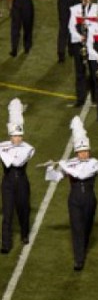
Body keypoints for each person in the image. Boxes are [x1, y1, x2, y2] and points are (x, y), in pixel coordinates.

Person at [44, 117, 98, 271]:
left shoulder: (95, 163)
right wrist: (51, 168)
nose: (83, 154)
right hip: (74, 199)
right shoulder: (70, 163)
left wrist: (65, 165)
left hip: (90, 199)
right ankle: (79, 259)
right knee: (76, 228)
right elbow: (55, 178)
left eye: (85, 151)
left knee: (86, 228)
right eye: (80, 152)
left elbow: (82, 175)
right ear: (76, 152)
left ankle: (82, 249)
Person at [1, 99, 34, 254]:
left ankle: (25, 234)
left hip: (21, 181)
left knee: (23, 210)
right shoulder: (3, 146)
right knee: (7, 214)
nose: (18, 138)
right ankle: (6, 244)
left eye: (20, 135)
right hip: (7, 183)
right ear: (10, 136)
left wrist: (4, 152)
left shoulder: (28, 148)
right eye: (15, 136)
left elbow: (17, 163)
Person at [67, 0, 98, 106]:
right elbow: (71, 26)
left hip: (92, 45)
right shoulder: (75, 10)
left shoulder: (97, 10)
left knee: (93, 71)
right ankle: (80, 98)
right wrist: (80, 37)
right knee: (79, 72)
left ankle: (96, 98)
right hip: (79, 44)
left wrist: (89, 35)